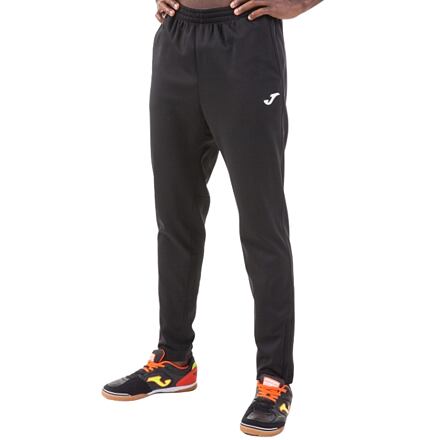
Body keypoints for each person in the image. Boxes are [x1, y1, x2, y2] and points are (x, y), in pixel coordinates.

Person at [102, 0, 323, 436]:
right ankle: (174, 359)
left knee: (262, 224)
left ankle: (274, 379)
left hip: (245, 39)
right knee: (174, 217)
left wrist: (299, 2)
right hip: (176, 38)